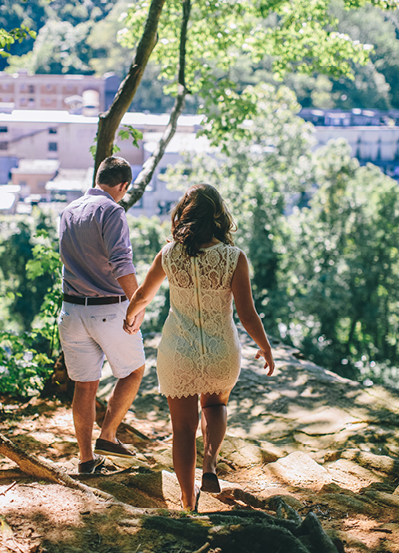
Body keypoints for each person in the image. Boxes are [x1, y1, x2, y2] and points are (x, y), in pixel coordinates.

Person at [123, 184, 276, 511]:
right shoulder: (234, 258)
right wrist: (265, 346)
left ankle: (188, 501)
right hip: (221, 350)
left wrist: (130, 316)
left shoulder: (169, 255)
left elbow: (143, 296)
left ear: (185, 214)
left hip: (178, 352)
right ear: (219, 217)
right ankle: (209, 464)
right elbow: (247, 313)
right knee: (215, 407)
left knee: (182, 429)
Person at [58, 156, 147, 474]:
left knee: (84, 386)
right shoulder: (112, 211)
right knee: (134, 371)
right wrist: (139, 303)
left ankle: (86, 461)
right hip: (109, 308)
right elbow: (122, 262)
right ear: (123, 185)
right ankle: (108, 436)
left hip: (70, 310)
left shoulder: (69, 211)